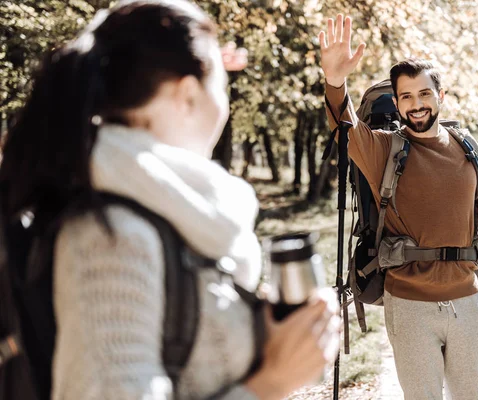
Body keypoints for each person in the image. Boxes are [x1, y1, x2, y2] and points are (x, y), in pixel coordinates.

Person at [0, 1, 340, 399]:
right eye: (223, 83)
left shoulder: (170, 209)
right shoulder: (112, 237)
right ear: (187, 93)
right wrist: (271, 382)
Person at [318, 14, 478, 400]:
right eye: (407, 97)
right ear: (397, 103)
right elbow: (343, 125)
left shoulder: (467, 148)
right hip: (410, 304)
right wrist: (335, 81)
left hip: (466, 298)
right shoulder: (382, 149)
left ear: (440, 96)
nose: (417, 104)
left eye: (424, 94)